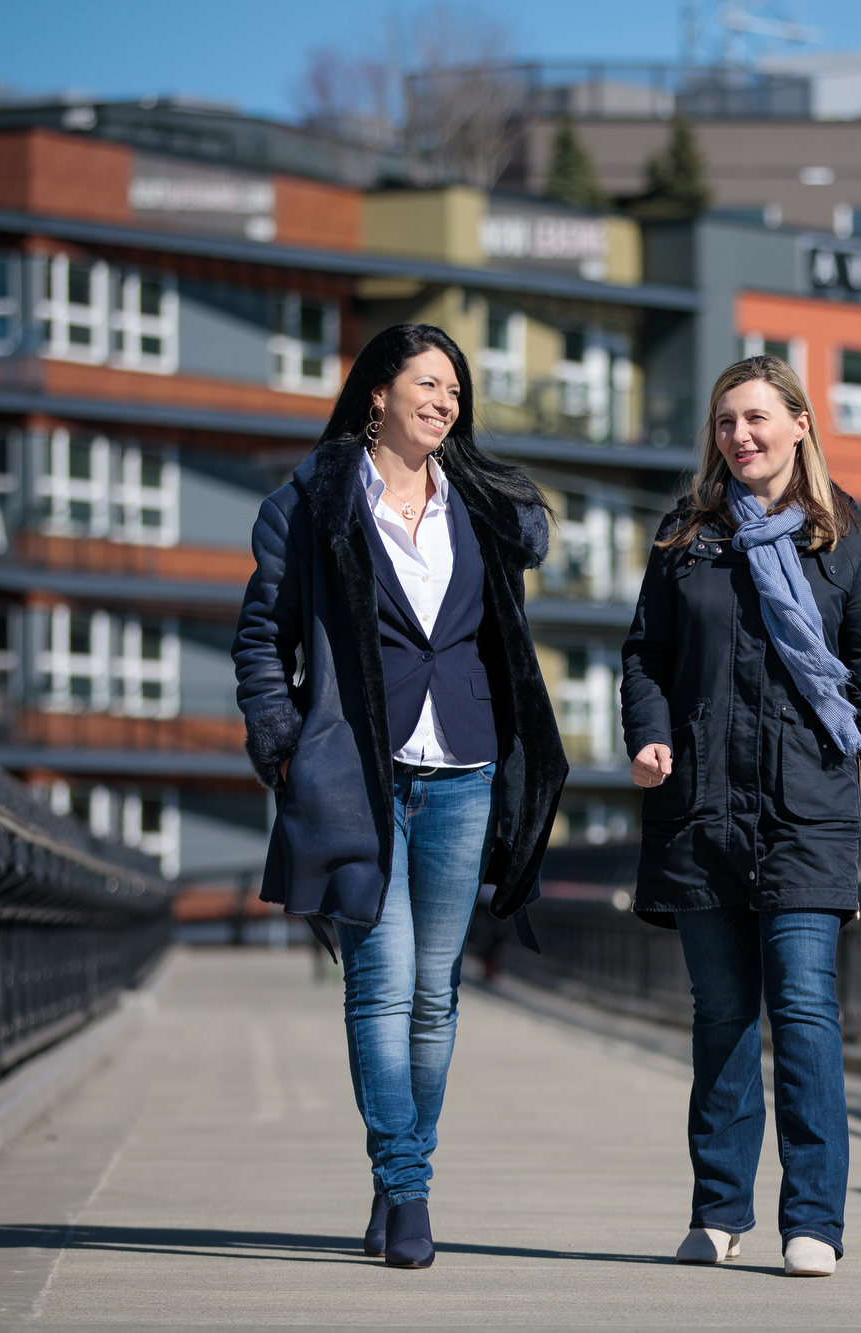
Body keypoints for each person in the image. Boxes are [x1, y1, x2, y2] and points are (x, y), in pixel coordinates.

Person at [232, 324, 568, 1268]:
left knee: (435, 995)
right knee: (380, 986)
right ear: (375, 393)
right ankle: (411, 1186)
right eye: (427, 383)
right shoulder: (312, 503)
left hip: (464, 768)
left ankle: (393, 1177)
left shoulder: (483, 508)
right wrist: (284, 745)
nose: (445, 401)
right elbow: (262, 639)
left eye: (455, 390)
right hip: (356, 771)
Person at [621, 356, 861, 1278]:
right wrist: (650, 733)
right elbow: (645, 655)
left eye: (755, 419)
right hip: (702, 807)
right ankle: (718, 1211)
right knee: (722, 1017)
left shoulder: (852, 542)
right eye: (724, 424)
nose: (739, 437)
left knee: (802, 1011)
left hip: (808, 808)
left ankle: (815, 1221)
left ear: (799, 423)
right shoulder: (687, 536)